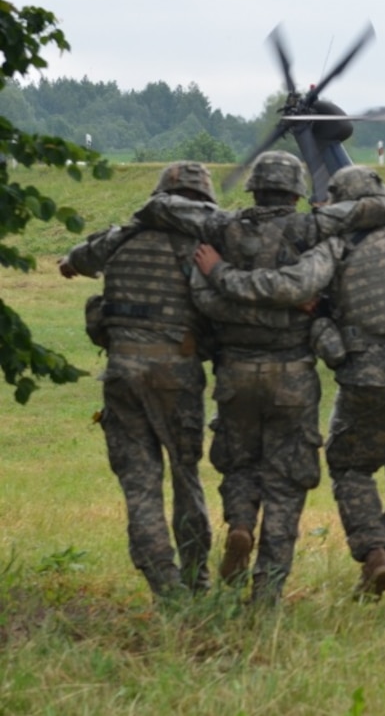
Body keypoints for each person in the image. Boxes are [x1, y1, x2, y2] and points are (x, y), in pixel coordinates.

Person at [190, 165, 385, 600]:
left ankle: (374, 552)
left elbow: (296, 287)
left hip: (368, 377)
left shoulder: (339, 244)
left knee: (351, 467)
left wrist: (227, 276)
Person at [58, 162, 217, 600]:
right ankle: (197, 581)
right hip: (177, 373)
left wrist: (69, 263)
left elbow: (78, 257)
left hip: (122, 371)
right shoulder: (206, 241)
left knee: (140, 483)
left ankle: (165, 586)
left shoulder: (123, 235)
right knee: (186, 477)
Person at [193, 152, 324, 603]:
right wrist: (296, 304)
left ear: (254, 188)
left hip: (235, 371)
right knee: (286, 481)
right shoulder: (309, 232)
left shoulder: (222, 232)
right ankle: (267, 592)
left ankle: (241, 524)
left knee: (240, 462)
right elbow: (332, 290)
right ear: (295, 192)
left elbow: (202, 296)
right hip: (292, 373)